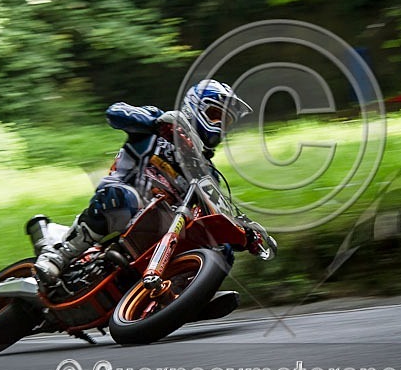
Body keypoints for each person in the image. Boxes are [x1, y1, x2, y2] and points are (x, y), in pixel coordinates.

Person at [33, 79, 264, 285]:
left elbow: (213, 214)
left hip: (160, 228)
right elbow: (115, 112)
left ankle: (185, 297)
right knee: (121, 198)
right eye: (215, 115)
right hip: (123, 199)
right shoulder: (160, 122)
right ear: (194, 107)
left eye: (226, 122)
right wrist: (154, 122)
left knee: (222, 250)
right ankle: (58, 256)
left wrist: (243, 235)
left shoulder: (208, 173)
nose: (220, 126)